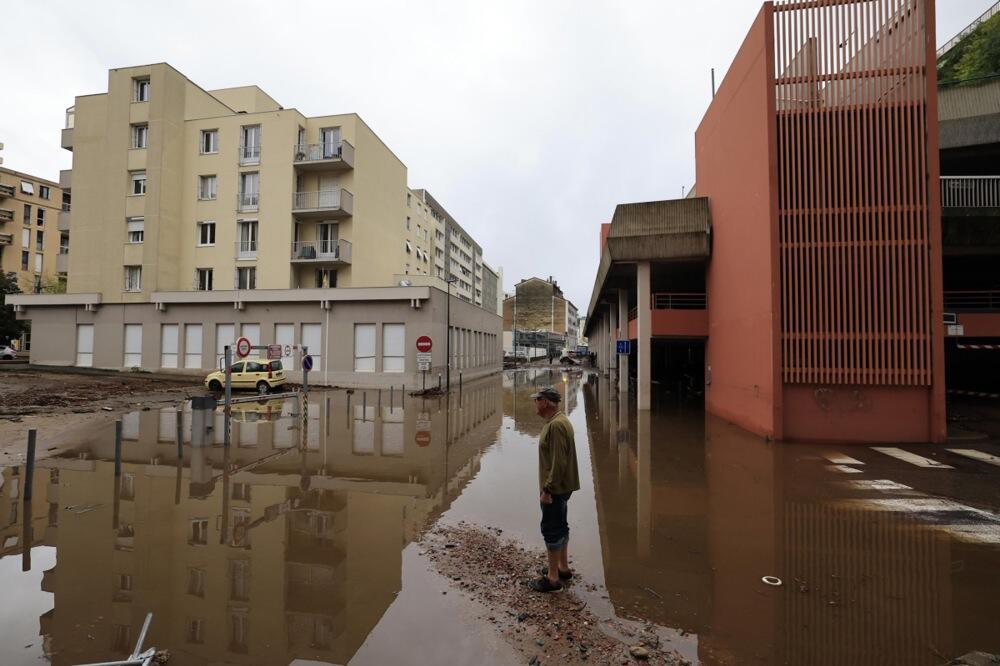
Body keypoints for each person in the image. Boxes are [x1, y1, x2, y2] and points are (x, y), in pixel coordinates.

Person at [529, 386, 580, 592]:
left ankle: (552, 579)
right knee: (561, 525)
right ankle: (562, 568)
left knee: (551, 529)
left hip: (556, 488)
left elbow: (559, 462)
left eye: (537, 400)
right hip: (562, 486)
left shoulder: (557, 426)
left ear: (546, 403)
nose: (535, 403)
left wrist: (547, 490)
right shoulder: (558, 421)